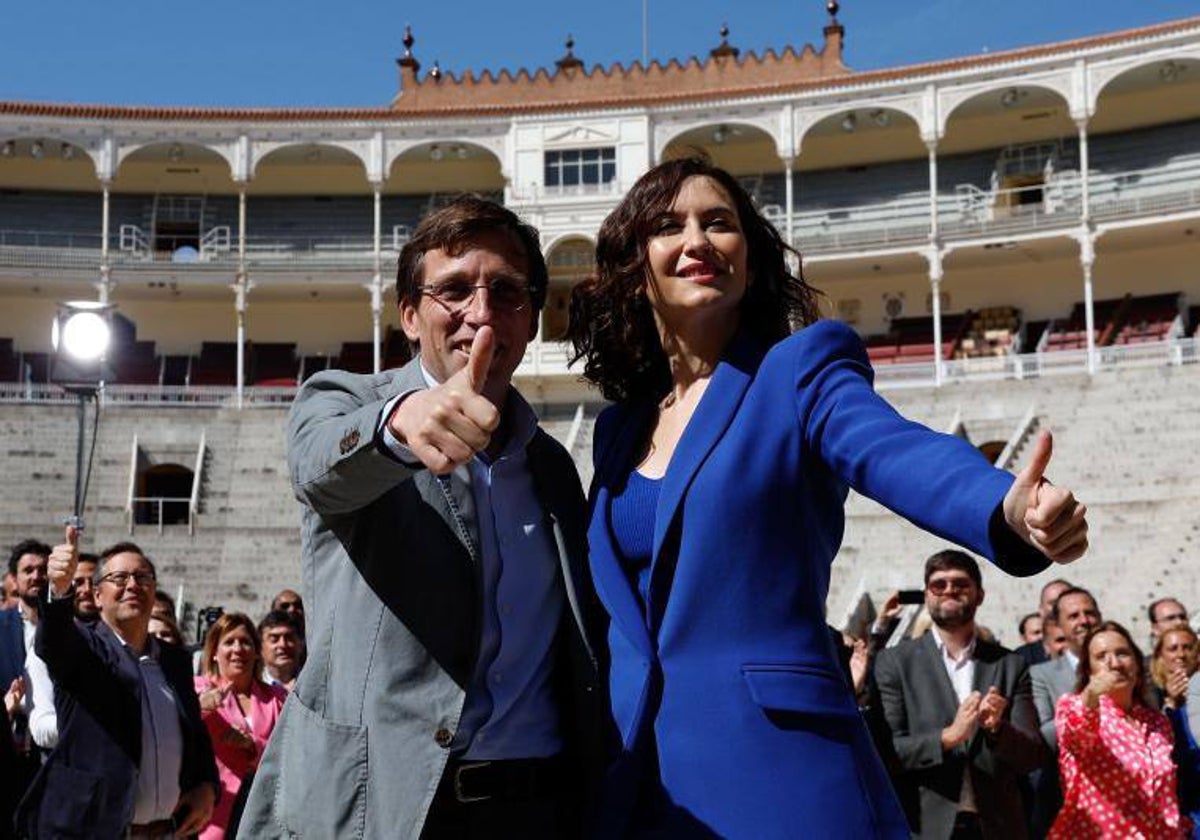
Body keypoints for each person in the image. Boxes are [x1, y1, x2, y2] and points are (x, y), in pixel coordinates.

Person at [566, 156, 1089, 837]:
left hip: (779, 768)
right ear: (638, 269)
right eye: (669, 226)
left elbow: (893, 451)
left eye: (718, 223)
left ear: (749, 262)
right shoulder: (616, 430)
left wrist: (1006, 508)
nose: (696, 239)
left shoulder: (798, 371)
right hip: (642, 780)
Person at [239, 196, 606, 839]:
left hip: (537, 803)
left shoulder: (551, 465)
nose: (481, 313)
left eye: (508, 291)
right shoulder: (346, 401)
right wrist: (401, 424)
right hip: (387, 801)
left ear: (532, 319)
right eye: (455, 290)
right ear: (410, 316)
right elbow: (319, 468)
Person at [17, 530, 218, 838]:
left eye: (143, 577)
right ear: (97, 595)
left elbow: (194, 732)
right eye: (120, 578)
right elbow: (53, 642)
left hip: (167, 832)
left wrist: (207, 785)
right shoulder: (84, 649)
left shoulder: (174, 661)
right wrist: (58, 592)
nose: (133, 585)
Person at [874, 551, 1045, 838]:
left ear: (980, 595)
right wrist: (949, 737)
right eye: (938, 585)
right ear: (927, 596)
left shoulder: (1010, 665)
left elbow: (1033, 756)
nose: (949, 590)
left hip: (998, 826)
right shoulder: (894, 662)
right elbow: (887, 752)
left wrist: (996, 729)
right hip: (924, 826)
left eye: (960, 583)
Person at [1050, 621, 1186, 838]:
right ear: (1088, 669)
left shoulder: (1157, 721)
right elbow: (1076, 739)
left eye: (1123, 653)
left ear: (1137, 664)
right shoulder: (1076, 708)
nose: (1114, 663)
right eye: (1101, 656)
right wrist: (1090, 696)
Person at [194, 612, 286, 840]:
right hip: (213, 812)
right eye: (229, 642)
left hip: (266, 810)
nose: (238, 649)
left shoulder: (277, 697)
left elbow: (290, 749)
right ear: (214, 653)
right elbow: (181, 730)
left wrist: (252, 744)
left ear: (256, 652)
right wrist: (202, 707)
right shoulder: (198, 689)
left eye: (245, 642)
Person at [25, 552, 99, 751]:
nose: (86, 589)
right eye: (77, 583)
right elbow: (40, 727)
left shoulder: (124, 643)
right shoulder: (45, 648)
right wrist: (92, 727)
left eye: (94, 582)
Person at [1155, 625, 1200, 834]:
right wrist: (1171, 703)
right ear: (1161, 656)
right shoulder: (1148, 694)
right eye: (1173, 649)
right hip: (1174, 805)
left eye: (1187, 648)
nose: (1181, 654)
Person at [1014, 578, 1073, 668]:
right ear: (1041, 610)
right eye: (1053, 603)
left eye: (1065, 601)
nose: (1059, 607)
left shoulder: (1095, 646)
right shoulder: (1021, 658)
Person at [257, 609, 302, 691]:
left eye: (289, 638)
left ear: (300, 644)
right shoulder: (252, 688)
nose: (283, 645)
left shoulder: (317, 682)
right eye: (274, 639)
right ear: (260, 646)